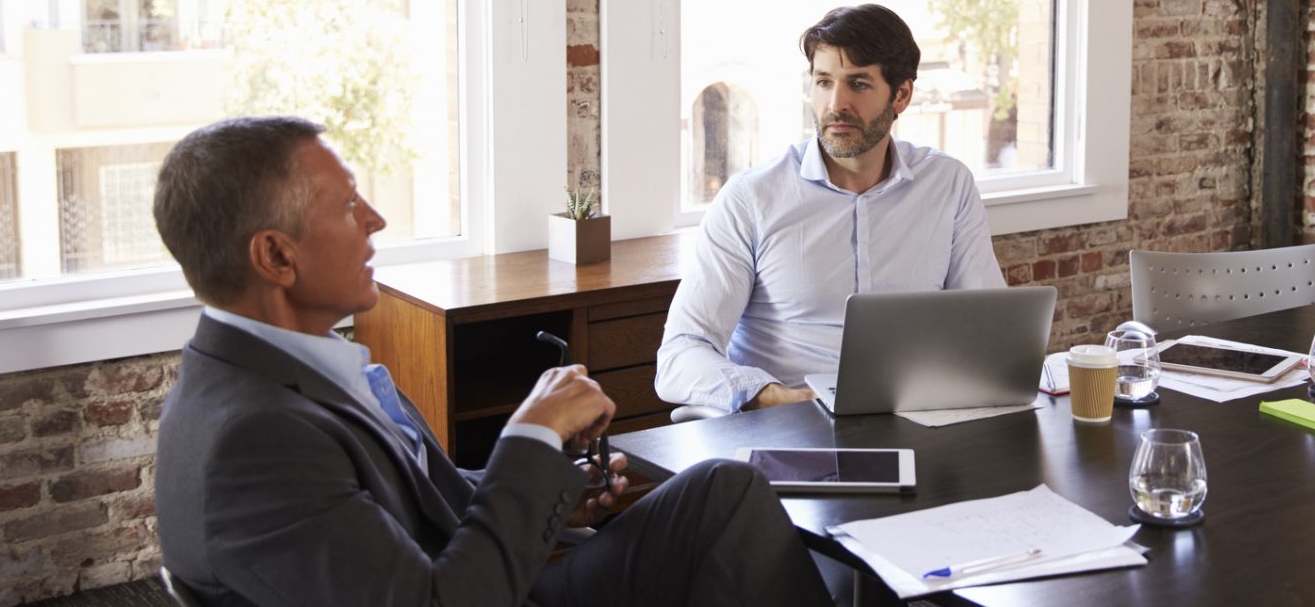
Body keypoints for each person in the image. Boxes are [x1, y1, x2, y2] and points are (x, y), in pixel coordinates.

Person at [152, 116, 827, 607]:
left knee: (722, 489)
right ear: (276, 256)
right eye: (348, 205)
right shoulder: (254, 444)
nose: (376, 220)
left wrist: (556, 493)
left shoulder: (299, 368)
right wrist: (531, 436)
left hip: (501, 575)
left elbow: (419, 499)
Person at [655, 4, 1006, 414]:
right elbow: (680, 355)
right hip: (790, 424)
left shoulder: (948, 185)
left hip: (915, 418)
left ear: (902, 95)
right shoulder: (751, 199)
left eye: (858, 84)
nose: (836, 104)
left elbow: (989, 328)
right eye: (823, 82)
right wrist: (776, 396)